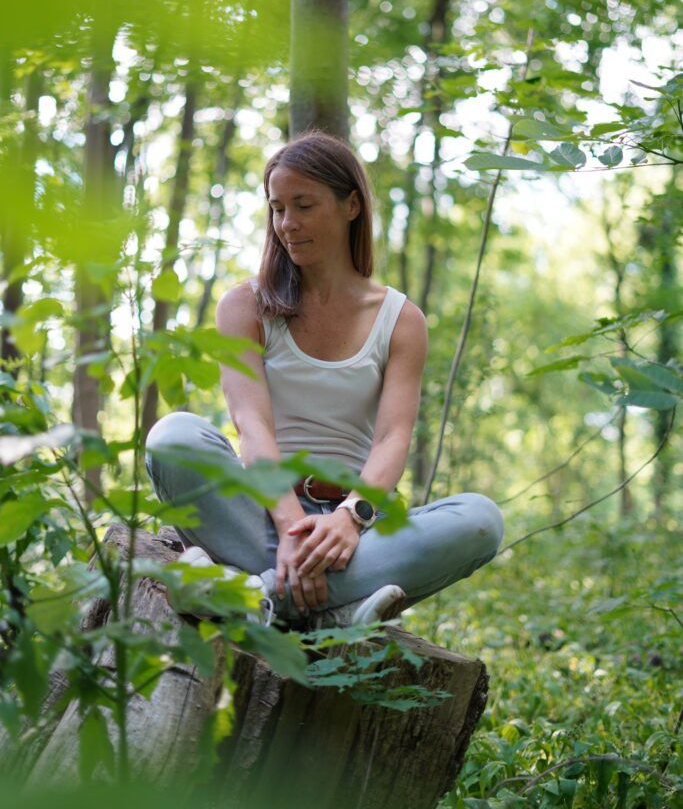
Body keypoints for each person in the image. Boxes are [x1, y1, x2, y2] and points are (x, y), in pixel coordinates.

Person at [146, 131, 504, 628]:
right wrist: (293, 528)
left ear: (351, 205)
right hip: (259, 514)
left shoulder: (401, 319)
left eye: (304, 205)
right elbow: (253, 428)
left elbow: (393, 438)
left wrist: (350, 519)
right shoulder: (245, 306)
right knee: (173, 437)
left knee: (481, 520)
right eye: (277, 209)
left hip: (350, 534)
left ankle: (249, 594)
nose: (287, 225)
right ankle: (330, 610)